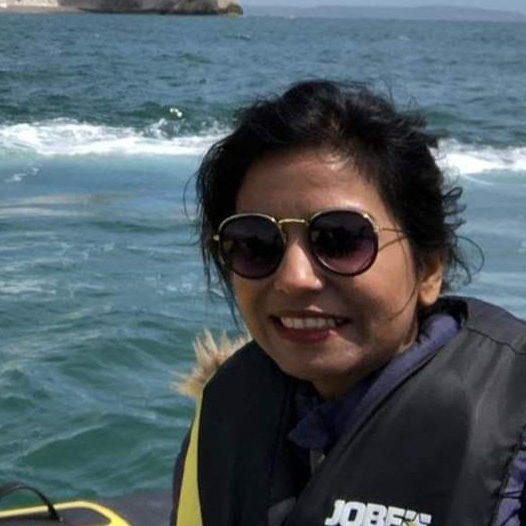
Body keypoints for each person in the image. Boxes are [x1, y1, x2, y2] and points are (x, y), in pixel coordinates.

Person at [172, 80, 526, 526]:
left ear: (429, 268)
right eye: (255, 242)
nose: (294, 278)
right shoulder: (223, 412)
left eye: (340, 238)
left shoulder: (512, 428)